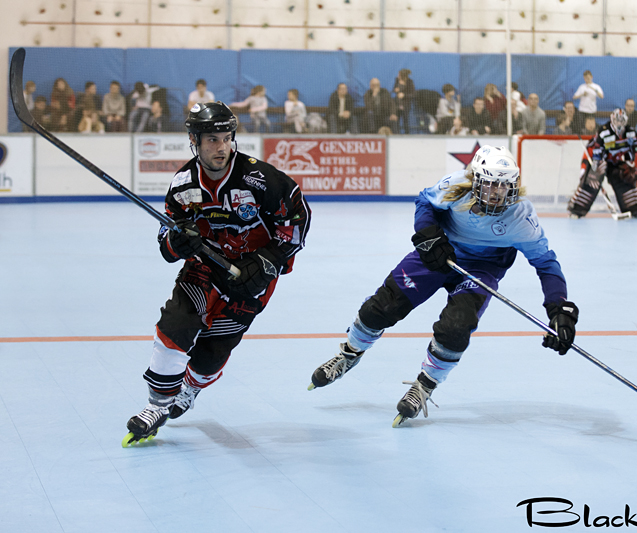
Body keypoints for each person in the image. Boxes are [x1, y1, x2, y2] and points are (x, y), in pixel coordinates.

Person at [307, 145, 579, 427]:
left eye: (504, 185)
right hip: (440, 254)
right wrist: (428, 235)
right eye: (490, 184)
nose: (497, 192)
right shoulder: (456, 186)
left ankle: (425, 384)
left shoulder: (521, 217)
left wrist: (558, 307)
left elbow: (546, 263)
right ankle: (349, 354)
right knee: (382, 307)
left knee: (456, 328)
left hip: (481, 269)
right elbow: (425, 201)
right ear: (476, 180)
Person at [123, 102, 311, 447]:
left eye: (226, 138)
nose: (221, 147)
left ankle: (190, 388)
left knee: (211, 354)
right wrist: (176, 241)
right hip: (204, 269)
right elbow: (167, 242)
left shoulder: (260, 179)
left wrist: (268, 260)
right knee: (176, 324)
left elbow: (296, 221)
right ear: (194, 141)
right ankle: (156, 405)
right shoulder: (182, 186)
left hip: (251, 277)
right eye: (212, 139)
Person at [567, 108, 637, 218]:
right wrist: (590, 170)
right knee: (593, 180)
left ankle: (632, 207)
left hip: (614, 160)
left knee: (625, 175)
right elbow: (597, 153)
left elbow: (632, 151)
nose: (619, 123)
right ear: (612, 120)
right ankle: (576, 209)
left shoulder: (631, 133)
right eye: (617, 120)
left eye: (622, 121)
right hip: (596, 158)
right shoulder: (604, 131)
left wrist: (629, 166)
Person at [393, 69, 415, 134]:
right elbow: (394, 89)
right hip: (397, 104)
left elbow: (413, 94)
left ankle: (407, 134)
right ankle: (397, 133)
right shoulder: (397, 81)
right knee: (396, 120)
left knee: (405, 120)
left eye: (399, 75)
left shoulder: (410, 82)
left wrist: (404, 95)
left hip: (405, 105)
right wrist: (395, 90)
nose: (398, 76)